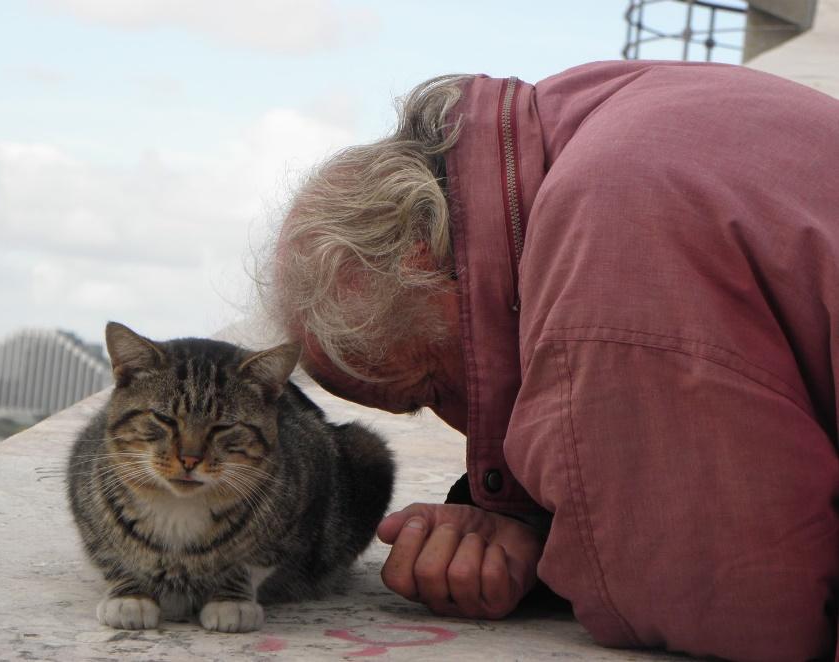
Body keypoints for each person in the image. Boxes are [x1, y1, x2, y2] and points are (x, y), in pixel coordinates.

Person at [264, 61, 839, 661]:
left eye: (430, 387)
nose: (458, 425)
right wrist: (525, 513)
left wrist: (549, 555)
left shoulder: (608, 240)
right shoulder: (576, 123)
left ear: (421, 263)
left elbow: (738, 605)